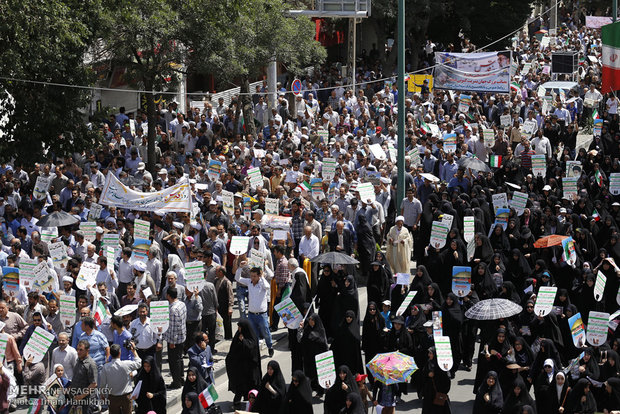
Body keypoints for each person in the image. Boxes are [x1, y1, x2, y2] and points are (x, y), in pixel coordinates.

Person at [235, 266, 274, 357]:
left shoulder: (262, 283)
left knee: (265, 332)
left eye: (254, 276)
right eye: (251, 276)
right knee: (253, 334)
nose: (252, 278)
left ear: (259, 276)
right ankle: (255, 350)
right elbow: (238, 278)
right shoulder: (249, 282)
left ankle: (270, 346)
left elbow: (268, 286)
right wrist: (240, 267)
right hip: (251, 315)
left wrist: (263, 276)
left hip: (262, 315)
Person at [226, 319, 262, 407]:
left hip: (250, 368)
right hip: (240, 368)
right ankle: (237, 402)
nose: (238, 328)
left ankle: (255, 403)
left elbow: (252, 349)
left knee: (252, 386)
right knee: (240, 386)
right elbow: (234, 349)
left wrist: (243, 341)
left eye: (240, 327)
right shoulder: (238, 335)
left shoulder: (251, 336)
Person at [99, 343, 142, 414]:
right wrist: (134, 351)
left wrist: (102, 394)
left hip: (113, 397)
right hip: (126, 397)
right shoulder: (126, 364)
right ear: (120, 353)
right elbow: (139, 363)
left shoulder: (106, 367)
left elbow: (103, 383)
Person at [163, 287, 187, 389]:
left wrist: (172, 341)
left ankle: (176, 382)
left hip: (175, 340)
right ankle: (181, 378)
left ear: (168, 295)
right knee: (179, 359)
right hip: (182, 336)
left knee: (174, 361)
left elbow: (174, 327)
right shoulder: (182, 304)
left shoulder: (173, 309)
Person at [68, 340, 98, 414]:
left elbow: (93, 384)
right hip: (75, 398)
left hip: (86, 401)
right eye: (77, 349)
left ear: (87, 350)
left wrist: (81, 396)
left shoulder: (91, 364)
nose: (78, 352)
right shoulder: (78, 360)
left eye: (81, 350)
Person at [420, 347, 451, 414]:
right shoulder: (428, 363)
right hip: (429, 393)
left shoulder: (442, 366)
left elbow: (447, 380)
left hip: (439, 393)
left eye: (430, 353)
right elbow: (423, 375)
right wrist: (428, 374)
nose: (429, 355)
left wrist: (444, 393)